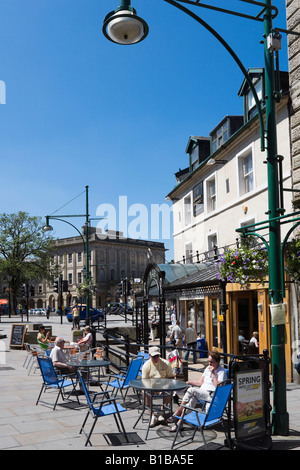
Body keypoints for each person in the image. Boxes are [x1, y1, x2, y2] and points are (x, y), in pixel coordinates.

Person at [168, 351, 227, 432]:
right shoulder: (207, 369)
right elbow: (200, 382)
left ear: (217, 362)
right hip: (202, 392)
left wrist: (213, 374)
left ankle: (177, 413)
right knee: (192, 400)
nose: (209, 364)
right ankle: (180, 422)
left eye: (211, 362)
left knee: (192, 390)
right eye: (208, 361)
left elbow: (219, 387)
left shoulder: (221, 372)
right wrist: (189, 382)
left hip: (212, 395)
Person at [141, 346, 174, 427]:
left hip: (163, 385)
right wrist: (152, 388)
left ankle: (161, 412)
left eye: (157, 356)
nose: (156, 358)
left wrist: (165, 386)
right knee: (144, 391)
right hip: (151, 386)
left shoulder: (165, 363)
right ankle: (152, 415)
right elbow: (145, 381)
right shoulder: (146, 365)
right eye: (153, 356)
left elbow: (171, 377)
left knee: (170, 390)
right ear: (149, 356)